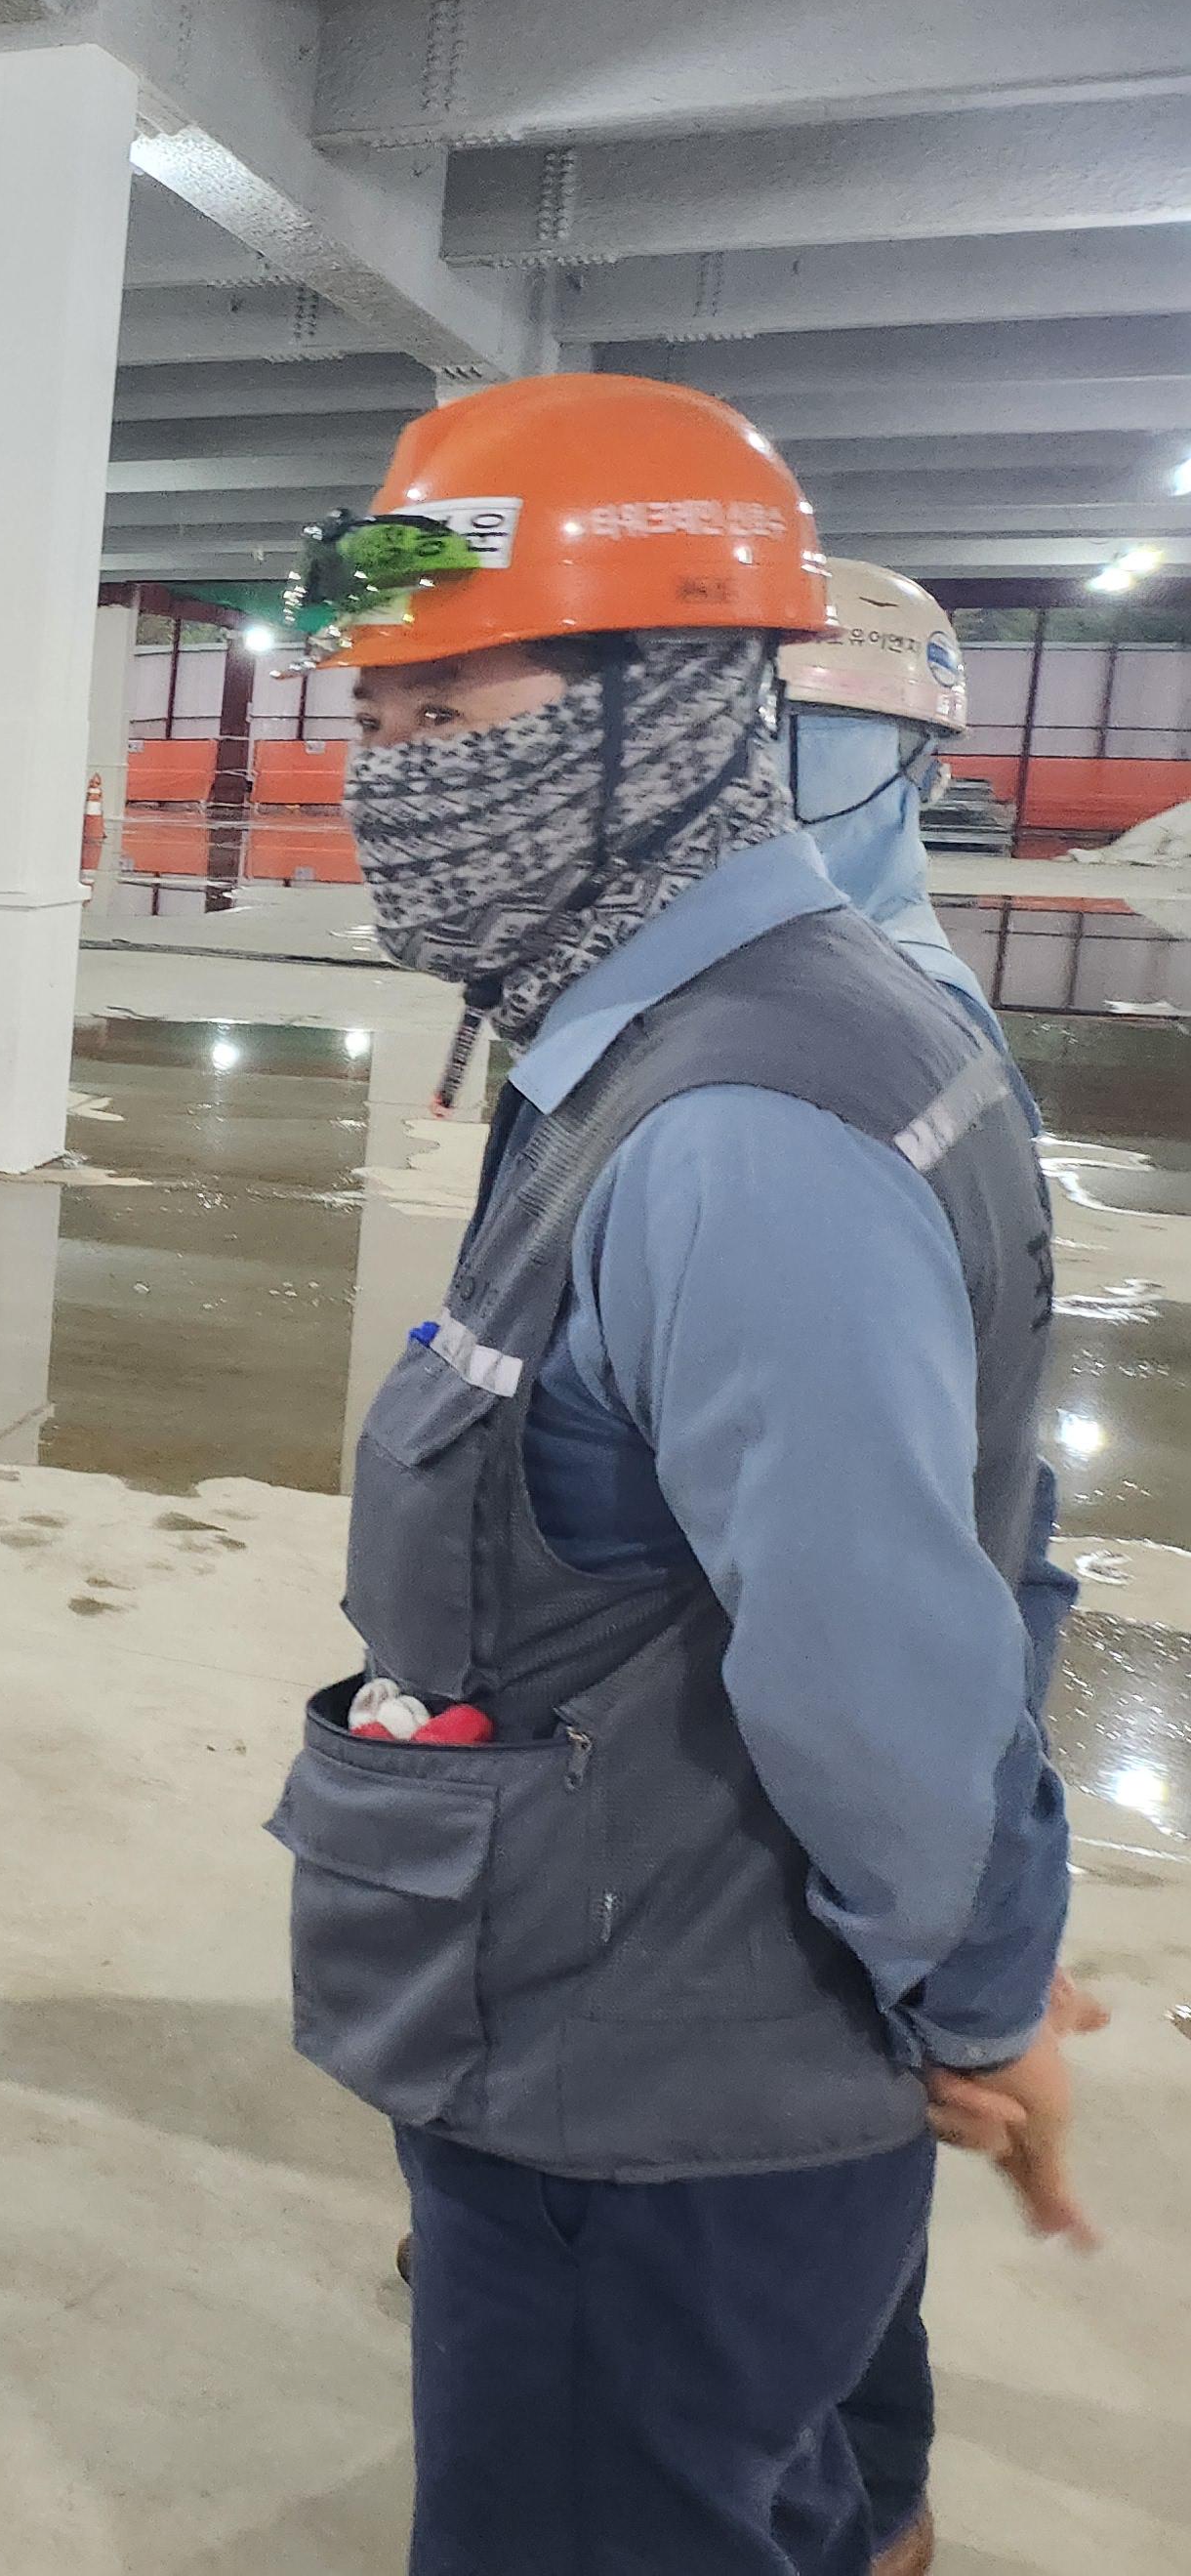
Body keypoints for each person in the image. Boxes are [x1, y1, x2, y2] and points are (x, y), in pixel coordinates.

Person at [273, 375, 1084, 2576]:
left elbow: (878, 1666)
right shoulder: (751, 1023)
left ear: (676, 708)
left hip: (643, 2099)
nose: (396, 777)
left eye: (457, 712)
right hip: (660, 2035)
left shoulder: (733, 1128)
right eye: (378, 717)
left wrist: (975, 1994)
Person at [777, 560, 1101, 2576]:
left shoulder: (865, 1035)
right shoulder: (811, 992)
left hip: (798, 1772)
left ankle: (863, 2508)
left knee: (830, 2133)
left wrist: (985, 1935)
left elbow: (940, 1551)